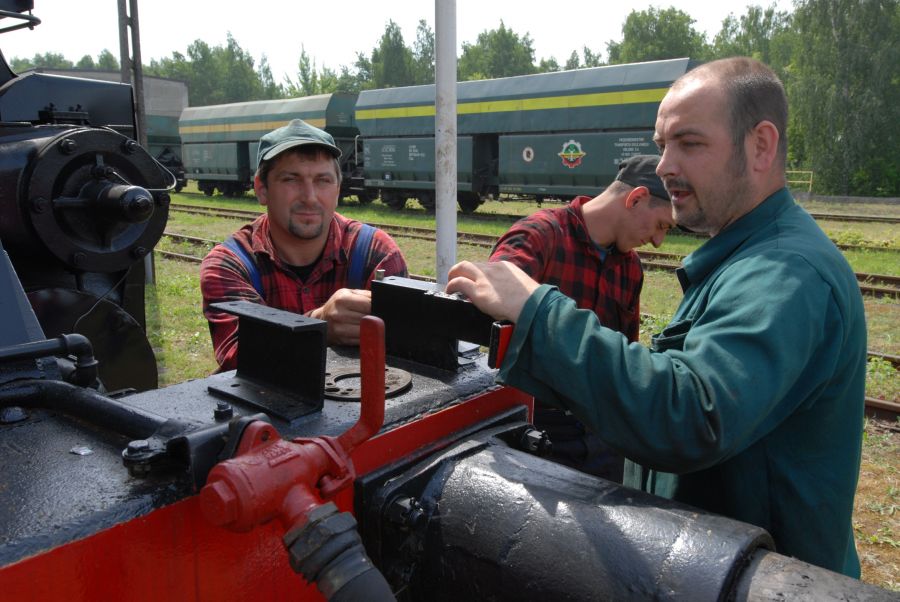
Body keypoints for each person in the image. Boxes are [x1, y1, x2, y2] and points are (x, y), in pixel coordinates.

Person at [446, 57, 866, 577]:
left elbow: (690, 414)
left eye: (688, 143)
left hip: (764, 580)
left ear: (761, 146)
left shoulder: (787, 272)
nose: (665, 165)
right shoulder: (743, 257)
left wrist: (540, 310)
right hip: (717, 566)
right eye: (662, 143)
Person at [490, 155, 674, 481]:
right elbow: (490, 307)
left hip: (601, 430)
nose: (659, 241)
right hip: (535, 427)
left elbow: (624, 353)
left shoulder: (630, 268)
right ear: (636, 198)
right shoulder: (539, 237)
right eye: (661, 225)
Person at [200, 119, 408, 371]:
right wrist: (319, 324)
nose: (310, 197)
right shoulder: (229, 265)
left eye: (323, 180)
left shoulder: (376, 254)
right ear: (261, 189)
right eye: (291, 179)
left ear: (338, 189)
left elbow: (409, 353)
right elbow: (239, 359)